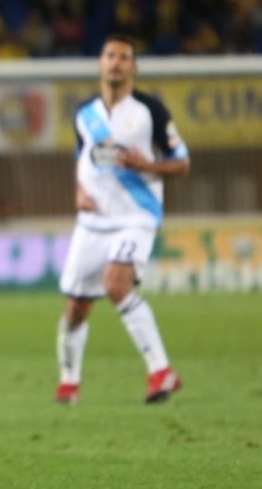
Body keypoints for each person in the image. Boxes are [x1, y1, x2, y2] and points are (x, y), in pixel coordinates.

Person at [54, 35, 190, 406]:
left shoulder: (151, 111)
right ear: (100, 63)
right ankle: (69, 382)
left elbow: (182, 161)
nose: (116, 63)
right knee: (76, 308)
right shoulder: (85, 114)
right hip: (94, 221)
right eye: (110, 56)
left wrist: (147, 165)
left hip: (138, 215)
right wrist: (79, 192)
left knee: (116, 285)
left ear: (134, 67)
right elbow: (83, 159)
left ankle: (161, 372)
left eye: (124, 57)